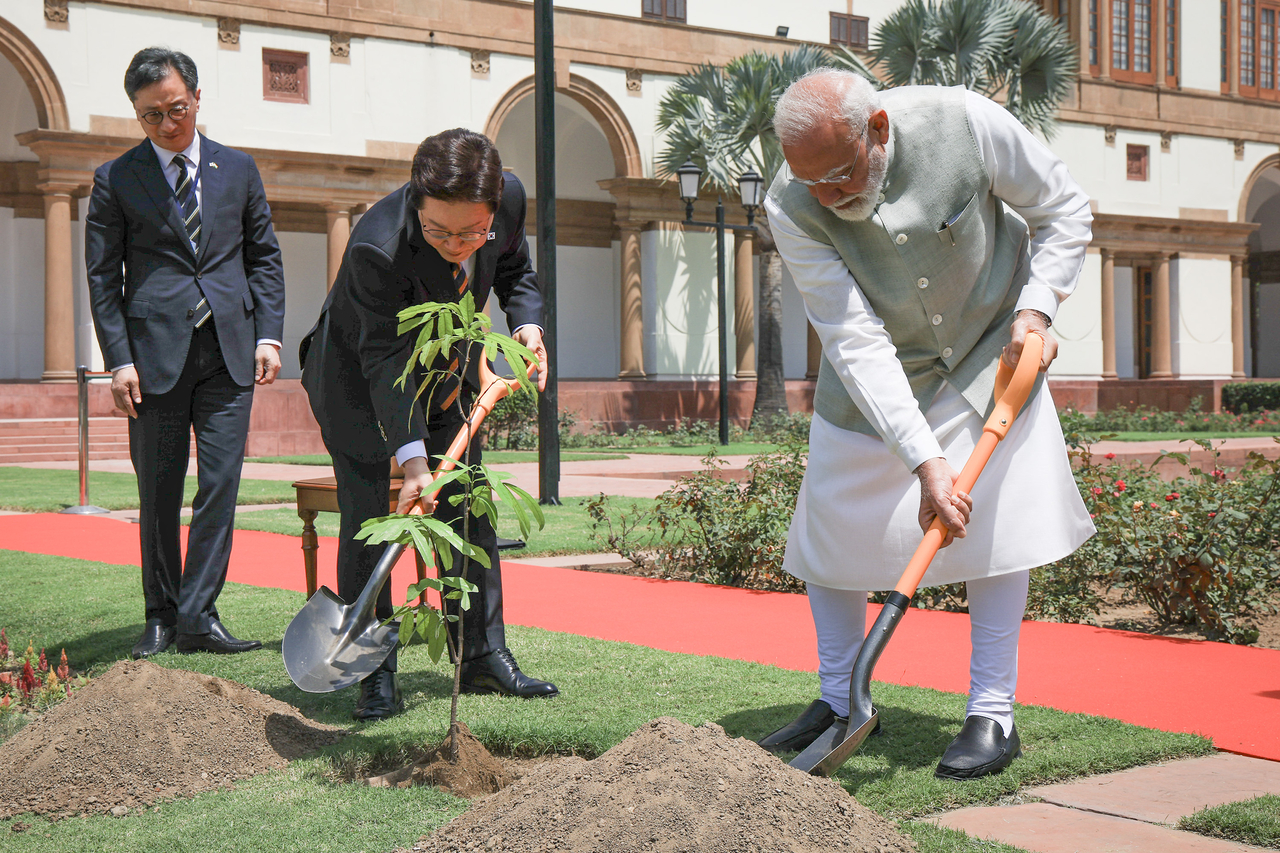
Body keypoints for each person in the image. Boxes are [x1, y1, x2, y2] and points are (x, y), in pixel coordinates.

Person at [756, 69, 1095, 779]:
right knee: (831, 527)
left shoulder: (966, 122)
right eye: (811, 182)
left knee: (1000, 528)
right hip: (879, 373)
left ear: (877, 129)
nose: (828, 197)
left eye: (841, 176)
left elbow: (1064, 207)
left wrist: (1037, 308)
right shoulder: (790, 204)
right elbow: (850, 336)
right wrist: (923, 458)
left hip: (989, 353)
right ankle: (842, 697)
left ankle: (992, 713)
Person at [299, 128, 557, 721]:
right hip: (357, 387)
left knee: (468, 506)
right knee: (372, 520)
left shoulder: (509, 200)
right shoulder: (376, 246)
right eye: (440, 232)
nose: (457, 245)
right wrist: (413, 462)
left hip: (448, 374)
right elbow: (386, 361)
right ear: (418, 203)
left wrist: (526, 328)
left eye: (472, 232)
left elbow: (516, 268)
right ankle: (372, 672)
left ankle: (482, 655)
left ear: (494, 207)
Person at [86, 47, 286, 660]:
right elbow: (102, 276)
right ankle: (160, 615)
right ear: (137, 117)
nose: (167, 124)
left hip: (230, 354)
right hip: (152, 359)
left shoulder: (240, 169)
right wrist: (118, 359)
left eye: (175, 108)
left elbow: (264, 258)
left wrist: (269, 334)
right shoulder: (116, 178)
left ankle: (199, 617)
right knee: (159, 494)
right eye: (151, 116)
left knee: (220, 490)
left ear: (196, 99)